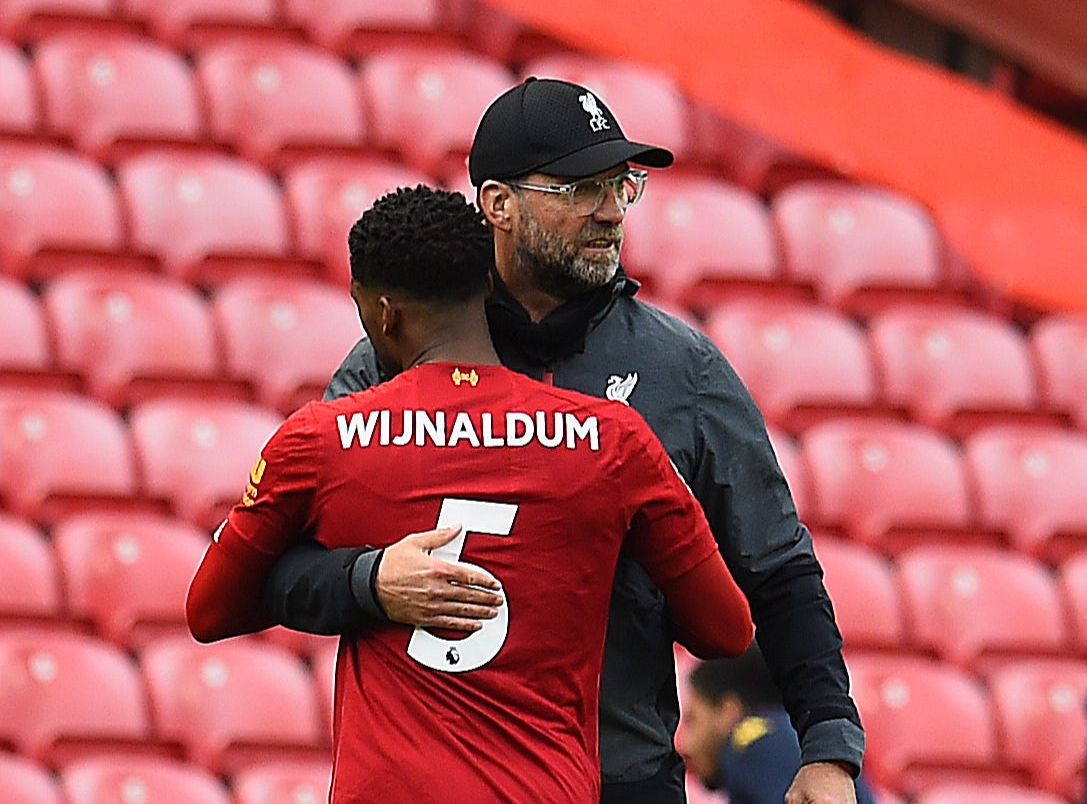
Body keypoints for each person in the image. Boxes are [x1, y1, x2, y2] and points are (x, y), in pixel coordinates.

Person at [260, 77, 865, 804]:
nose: (611, 211)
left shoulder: (684, 369)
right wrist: (371, 582)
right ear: (498, 204)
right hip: (437, 778)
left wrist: (827, 743)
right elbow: (275, 567)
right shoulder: (388, 364)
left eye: (622, 184)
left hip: (620, 778)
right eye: (582, 188)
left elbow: (778, 570)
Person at [186, 185, 754, 804]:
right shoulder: (613, 440)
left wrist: (365, 583)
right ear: (488, 284)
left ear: (383, 313)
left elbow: (211, 609)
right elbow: (726, 630)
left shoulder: (320, 439)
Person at [679, 646, 878, 804]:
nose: (686, 745)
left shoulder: (752, 744)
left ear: (727, 710)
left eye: (693, 719)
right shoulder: (799, 737)